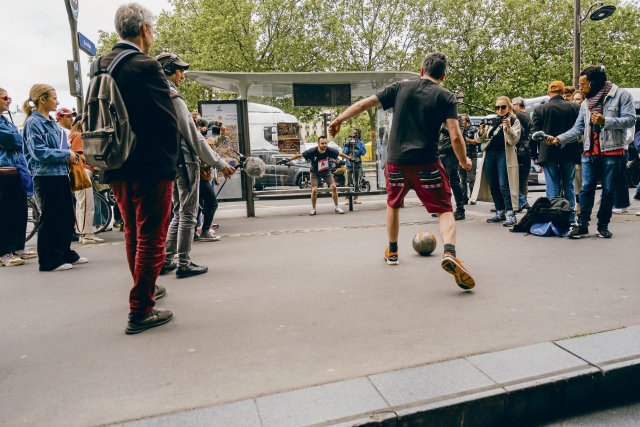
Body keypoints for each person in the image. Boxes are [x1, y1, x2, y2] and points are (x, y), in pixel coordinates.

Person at [329, 52, 475, 290]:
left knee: (393, 204)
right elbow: (456, 135)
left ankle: (393, 251)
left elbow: (364, 103)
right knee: (444, 209)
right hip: (427, 163)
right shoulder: (446, 96)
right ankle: (449, 252)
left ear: (421, 70)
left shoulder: (400, 87)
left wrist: (339, 119)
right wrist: (464, 161)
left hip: (396, 163)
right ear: (443, 76)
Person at [102, 3, 181, 334]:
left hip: (117, 161)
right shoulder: (145, 66)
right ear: (145, 29)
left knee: (133, 231)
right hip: (150, 164)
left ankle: (143, 288)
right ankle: (141, 310)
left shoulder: (102, 64)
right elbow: (167, 120)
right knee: (152, 236)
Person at [155, 53, 235, 279]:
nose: (183, 75)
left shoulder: (157, 95)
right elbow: (193, 136)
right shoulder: (173, 96)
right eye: (180, 70)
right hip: (186, 160)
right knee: (188, 214)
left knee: (178, 213)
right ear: (169, 69)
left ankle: (166, 260)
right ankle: (184, 262)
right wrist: (219, 163)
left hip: (171, 160)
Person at [548, 66, 636, 239]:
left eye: (583, 84)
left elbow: (631, 119)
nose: (580, 88)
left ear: (594, 82)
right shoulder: (586, 103)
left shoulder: (621, 95)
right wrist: (559, 139)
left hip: (612, 150)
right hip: (589, 151)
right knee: (586, 189)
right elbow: (578, 128)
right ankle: (582, 225)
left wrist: (606, 121)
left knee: (608, 190)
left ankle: (603, 225)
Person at [22, 84, 87, 272]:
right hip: (45, 175)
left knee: (66, 215)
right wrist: (65, 154)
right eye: (54, 97)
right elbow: (38, 152)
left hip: (59, 173)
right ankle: (49, 260)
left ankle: (63, 252)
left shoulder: (50, 122)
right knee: (51, 216)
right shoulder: (34, 123)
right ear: (42, 99)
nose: (57, 101)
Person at [531, 81, 580, 224]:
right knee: (569, 185)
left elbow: (534, 133)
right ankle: (570, 217)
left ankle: (554, 216)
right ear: (563, 92)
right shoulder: (574, 107)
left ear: (548, 93)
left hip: (548, 152)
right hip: (569, 150)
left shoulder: (540, 109)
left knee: (552, 185)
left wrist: (534, 153)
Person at [0, 87, 36, 266]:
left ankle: (17, 246)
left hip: (16, 169)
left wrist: (16, 138)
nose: (9, 100)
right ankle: (4, 252)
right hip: (3, 171)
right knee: (5, 212)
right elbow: (13, 140)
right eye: (5, 97)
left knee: (19, 210)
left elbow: (17, 139)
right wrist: (16, 138)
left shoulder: (5, 120)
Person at [477, 96, 521, 227]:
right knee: (493, 184)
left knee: (504, 185)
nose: (500, 110)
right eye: (497, 107)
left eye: (503, 107)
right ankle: (499, 211)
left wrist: (508, 128)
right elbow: (480, 140)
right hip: (490, 154)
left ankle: (510, 214)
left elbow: (514, 140)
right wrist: (480, 132)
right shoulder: (493, 120)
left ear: (509, 107)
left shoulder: (513, 120)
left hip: (504, 154)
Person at [288, 135, 351, 215]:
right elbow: (300, 155)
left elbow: (340, 154)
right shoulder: (312, 151)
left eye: (325, 143)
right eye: (322, 143)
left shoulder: (329, 150)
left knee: (334, 187)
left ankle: (337, 207)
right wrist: (288, 159)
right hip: (314, 172)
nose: (324, 145)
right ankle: (313, 209)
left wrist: (350, 159)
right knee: (314, 190)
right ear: (318, 144)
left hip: (325, 171)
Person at [68, 115, 104, 245]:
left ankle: (86, 233)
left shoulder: (74, 134)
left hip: (79, 171)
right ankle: (86, 234)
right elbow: (78, 154)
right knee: (85, 203)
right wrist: (93, 158)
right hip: (81, 171)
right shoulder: (78, 135)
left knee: (84, 203)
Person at [437, 122, 465, 220]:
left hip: (451, 155)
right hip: (440, 154)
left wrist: (443, 129)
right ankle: (444, 208)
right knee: (441, 182)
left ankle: (460, 209)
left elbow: (458, 136)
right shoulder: (441, 121)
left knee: (454, 181)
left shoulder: (456, 120)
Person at [511, 97, 532, 212]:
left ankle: (520, 202)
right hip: (527, 150)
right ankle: (523, 201)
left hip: (518, 149)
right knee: (524, 179)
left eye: (513, 104)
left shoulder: (516, 116)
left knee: (514, 178)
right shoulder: (528, 116)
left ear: (518, 105)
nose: (512, 107)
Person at [342, 128, 366, 204]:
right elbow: (344, 152)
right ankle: (347, 198)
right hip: (349, 164)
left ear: (359, 135)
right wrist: (347, 146)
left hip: (357, 164)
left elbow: (363, 152)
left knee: (356, 182)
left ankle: (355, 198)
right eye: (353, 133)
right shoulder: (348, 142)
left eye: (356, 133)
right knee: (347, 182)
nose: (354, 135)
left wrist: (357, 147)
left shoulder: (361, 143)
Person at [458, 114, 478, 206]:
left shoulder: (473, 129)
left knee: (471, 178)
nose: (461, 122)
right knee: (463, 179)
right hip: (461, 156)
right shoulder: (458, 129)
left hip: (471, 156)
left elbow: (477, 142)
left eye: (463, 121)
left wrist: (466, 140)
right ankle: (463, 198)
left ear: (467, 121)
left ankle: (473, 198)